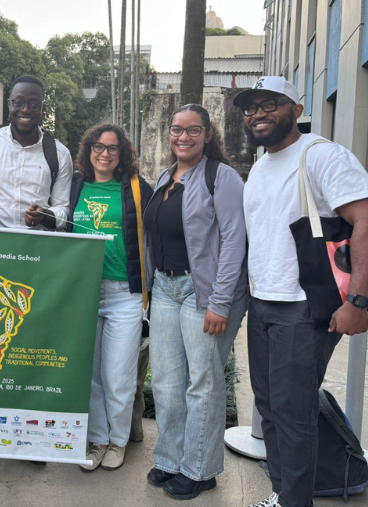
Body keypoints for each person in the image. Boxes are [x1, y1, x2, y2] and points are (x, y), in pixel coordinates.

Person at [237, 77, 368, 507]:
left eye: (270, 104)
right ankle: (283, 493)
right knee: (270, 408)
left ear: (296, 110)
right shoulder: (261, 167)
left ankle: (295, 502)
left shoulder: (321, 155)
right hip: (264, 302)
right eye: (251, 108)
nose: (258, 114)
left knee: (293, 412)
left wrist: (358, 301)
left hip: (304, 307)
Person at [0, 74, 73, 472]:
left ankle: (31, 436)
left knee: (32, 348)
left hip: (37, 263)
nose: (25, 110)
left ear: (42, 107)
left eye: (33, 104)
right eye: (19, 102)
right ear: (9, 105)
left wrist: (47, 216)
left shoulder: (58, 153)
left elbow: (64, 210)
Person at [144, 104, 248, 500]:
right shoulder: (165, 176)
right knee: (167, 382)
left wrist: (220, 302)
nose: (183, 137)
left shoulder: (221, 177)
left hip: (203, 292)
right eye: (177, 129)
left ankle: (200, 469)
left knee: (202, 382)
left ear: (207, 134)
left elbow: (235, 240)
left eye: (193, 130)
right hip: (165, 288)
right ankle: (170, 459)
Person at [67, 123, 151, 472]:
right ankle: (97, 439)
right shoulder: (73, 185)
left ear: (122, 153)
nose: (104, 153)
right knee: (90, 376)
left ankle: (118, 441)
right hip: (83, 292)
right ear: (88, 150)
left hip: (124, 294)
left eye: (112, 148)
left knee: (118, 376)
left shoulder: (136, 188)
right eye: (98, 147)